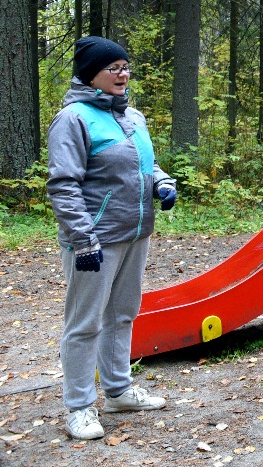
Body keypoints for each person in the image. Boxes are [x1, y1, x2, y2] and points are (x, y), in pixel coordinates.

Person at [46, 37, 177, 441]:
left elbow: (146, 164)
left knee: (122, 314)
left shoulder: (132, 116)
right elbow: (64, 185)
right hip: (95, 240)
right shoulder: (73, 119)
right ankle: (79, 407)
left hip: (135, 231)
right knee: (85, 323)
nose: (123, 74)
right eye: (113, 68)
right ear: (91, 75)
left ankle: (118, 392)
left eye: (125, 66)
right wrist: (83, 239)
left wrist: (161, 182)